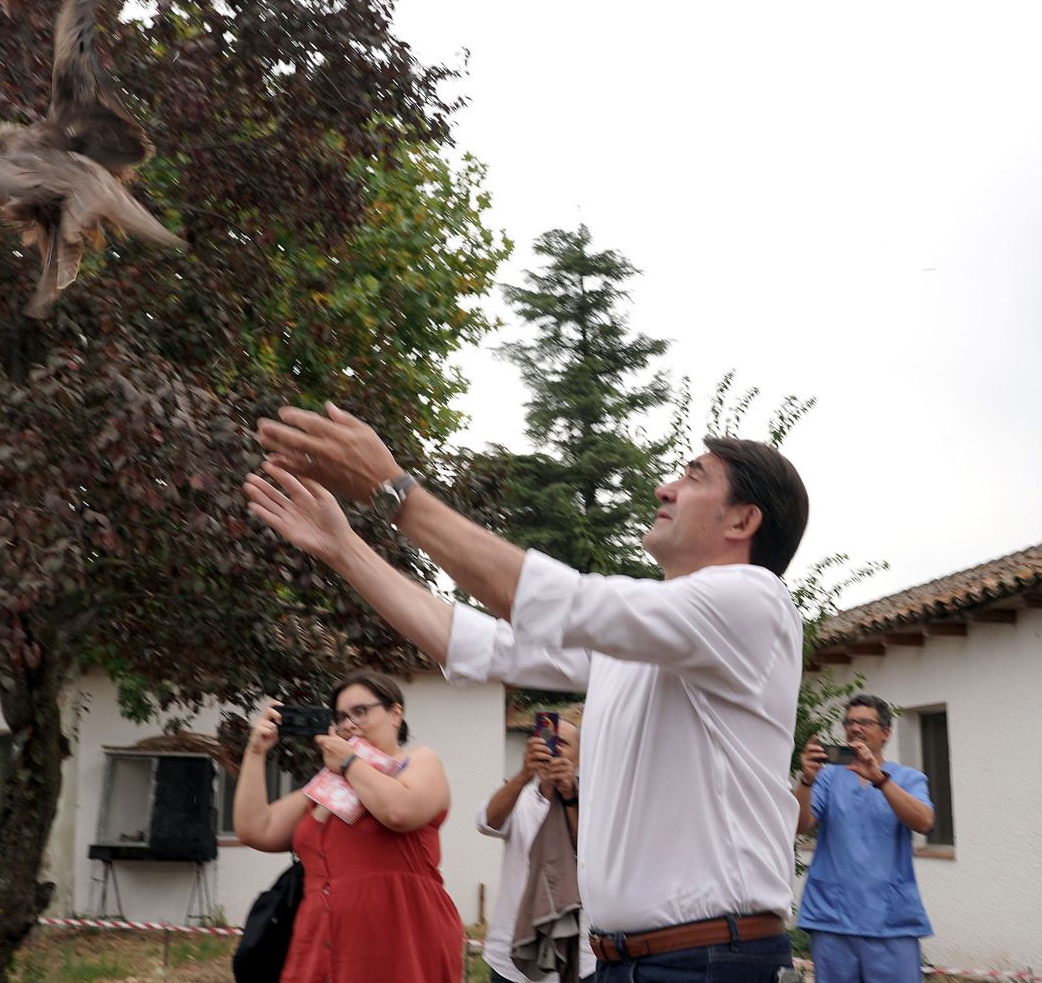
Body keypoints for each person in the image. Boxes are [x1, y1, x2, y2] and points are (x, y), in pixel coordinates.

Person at [245, 402, 811, 982]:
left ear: (743, 522)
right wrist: (344, 548)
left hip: (709, 962)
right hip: (639, 962)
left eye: (693, 477)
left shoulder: (752, 598)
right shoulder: (646, 643)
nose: (665, 489)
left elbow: (550, 599)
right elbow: (473, 641)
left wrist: (394, 490)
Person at [231, 669, 464, 982]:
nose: (349, 724)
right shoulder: (325, 785)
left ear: (395, 713)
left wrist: (351, 763)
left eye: (361, 712)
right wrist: (257, 751)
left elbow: (399, 812)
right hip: (320, 944)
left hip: (400, 943)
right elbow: (254, 828)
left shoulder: (416, 762)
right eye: (341, 717)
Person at [795, 693, 935, 983]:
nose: (854, 728)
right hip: (833, 919)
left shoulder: (907, 778)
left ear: (885, 733)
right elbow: (800, 825)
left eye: (864, 722)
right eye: (849, 722)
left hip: (890, 923)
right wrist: (806, 779)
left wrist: (880, 779)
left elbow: (924, 821)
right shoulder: (828, 777)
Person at [479, 721, 597, 983]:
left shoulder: (593, 799)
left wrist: (568, 795)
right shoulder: (520, 796)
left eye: (562, 743)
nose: (553, 749)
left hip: (580, 953)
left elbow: (590, 852)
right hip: (511, 951)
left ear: (581, 755)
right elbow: (486, 823)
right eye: (546, 741)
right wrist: (523, 775)